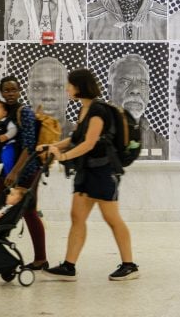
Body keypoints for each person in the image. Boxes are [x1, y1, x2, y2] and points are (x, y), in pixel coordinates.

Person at [42, 68, 139, 282]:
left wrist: (63, 158)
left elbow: (89, 143)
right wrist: (51, 145)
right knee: (77, 217)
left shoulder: (98, 111)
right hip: (87, 172)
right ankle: (69, 266)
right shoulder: (84, 110)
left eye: (69, 85)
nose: (67, 89)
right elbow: (76, 138)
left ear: (79, 86)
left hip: (103, 172)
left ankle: (129, 265)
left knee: (112, 218)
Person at [0, 75, 47, 270]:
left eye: (13, 90)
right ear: (1, 92)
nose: (10, 93)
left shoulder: (24, 113)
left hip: (27, 172)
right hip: (7, 172)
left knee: (29, 213)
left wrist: (16, 171)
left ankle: (41, 259)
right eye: (6, 90)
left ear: (19, 90)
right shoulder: (3, 112)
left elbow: (29, 146)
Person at [107, 54, 168, 160]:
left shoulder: (162, 144)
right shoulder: (94, 134)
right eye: (125, 82)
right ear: (109, 90)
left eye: (143, 83)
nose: (136, 89)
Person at [27, 56, 69, 136]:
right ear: (28, 94)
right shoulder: (22, 134)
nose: (48, 96)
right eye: (38, 87)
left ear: (68, 93)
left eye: (58, 87)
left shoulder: (79, 135)